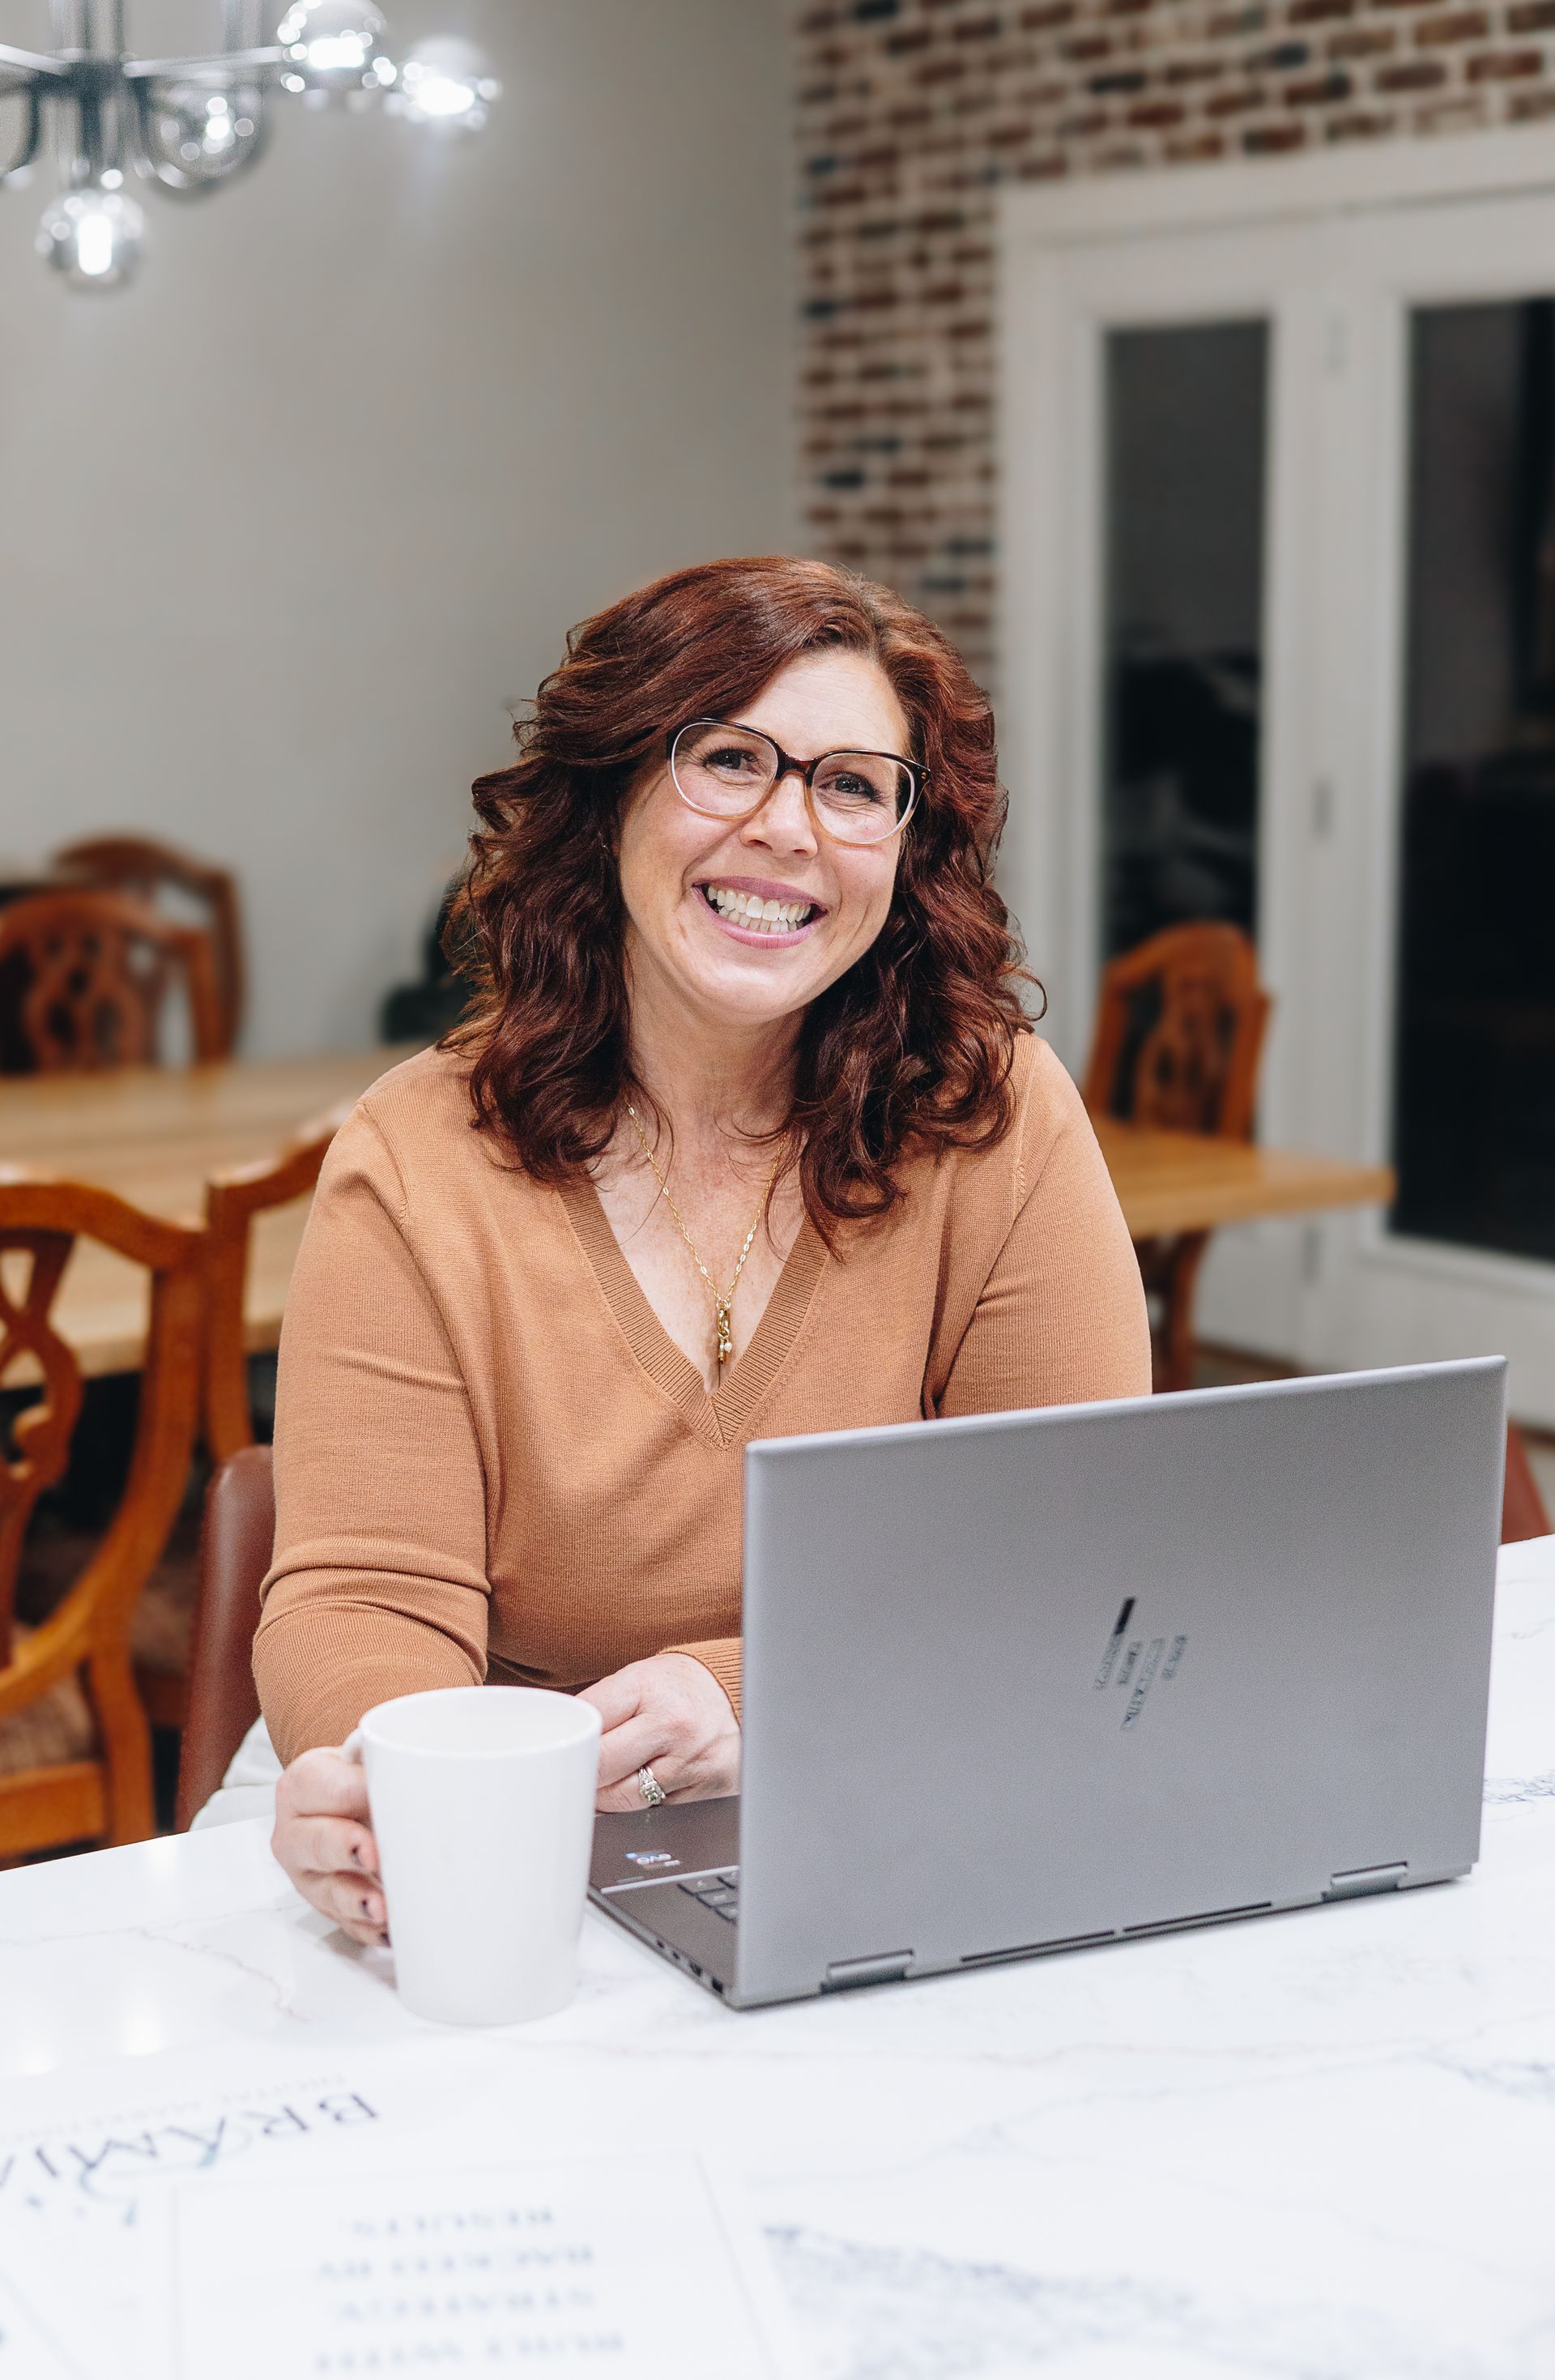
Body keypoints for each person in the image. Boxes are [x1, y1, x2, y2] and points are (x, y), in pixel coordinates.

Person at [262, 556, 1151, 1945]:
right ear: (609, 795)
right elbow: (366, 1590)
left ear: (907, 852)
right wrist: (403, 1782)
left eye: (854, 785)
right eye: (728, 758)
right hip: (517, 1855)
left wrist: (752, 1690)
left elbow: (1075, 1552)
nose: (788, 827)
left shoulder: (995, 1116)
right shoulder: (416, 1155)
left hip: (898, 1799)